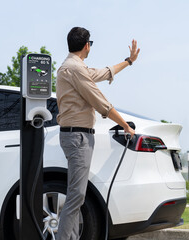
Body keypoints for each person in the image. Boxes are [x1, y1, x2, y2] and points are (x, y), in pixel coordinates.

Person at [56, 26, 140, 240]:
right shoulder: (75, 69)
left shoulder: (75, 67)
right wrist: (126, 126)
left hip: (76, 136)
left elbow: (104, 72)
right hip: (78, 137)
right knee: (76, 195)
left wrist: (128, 61)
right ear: (87, 46)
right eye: (90, 44)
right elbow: (101, 103)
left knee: (76, 195)